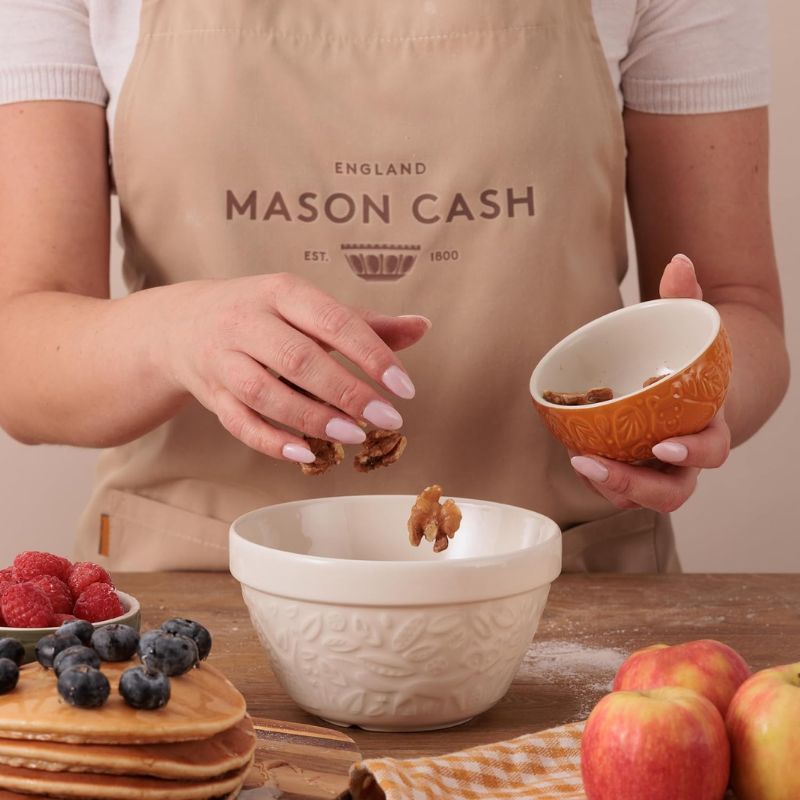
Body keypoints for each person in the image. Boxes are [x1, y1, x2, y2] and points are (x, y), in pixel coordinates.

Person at [0, 1, 789, 572]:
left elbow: (739, 306)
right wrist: (172, 334)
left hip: (560, 594)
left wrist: (692, 397)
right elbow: (20, 351)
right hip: (198, 610)